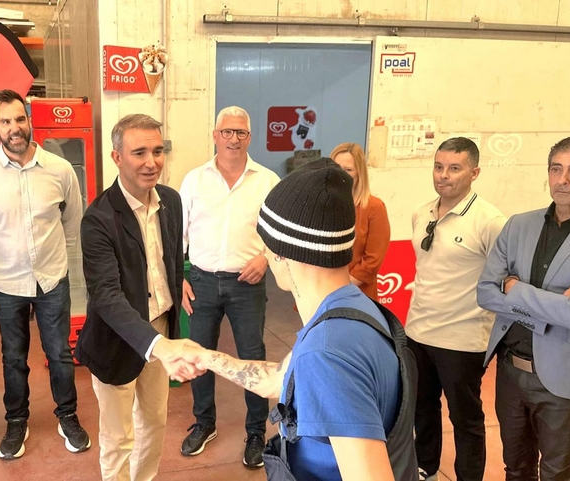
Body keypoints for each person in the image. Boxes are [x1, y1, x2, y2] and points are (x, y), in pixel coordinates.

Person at [176, 159, 409, 480]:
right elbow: (279, 379)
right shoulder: (351, 311)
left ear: (282, 253)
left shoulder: (327, 353)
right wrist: (206, 357)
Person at [0, 89, 89, 460]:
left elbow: (72, 220)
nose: (14, 128)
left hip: (52, 278)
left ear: (29, 120)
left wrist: (56, 256)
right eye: (5, 121)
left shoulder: (59, 169)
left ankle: (67, 415)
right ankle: (16, 420)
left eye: (20, 119)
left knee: (60, 353)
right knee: (14, 356)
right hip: (6, 282)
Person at [76, 114, 201, 481]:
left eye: (158, 151)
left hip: (161, 325)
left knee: (154, 422)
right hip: (117, 340)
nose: (151, 162)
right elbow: (106, 295)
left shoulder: (171, 201)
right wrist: (158, 346)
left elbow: (171, 261)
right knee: (118, 438)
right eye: (139, 152)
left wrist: (171, 318)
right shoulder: (98, 218)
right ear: (117, 157)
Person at [478, 134, 570, 481]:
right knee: (516, 469)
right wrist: (555, 303)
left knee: (558, 474)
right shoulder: (519, 225)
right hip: (510, 373)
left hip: (566, 380)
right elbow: (486, 292)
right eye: (556, 169)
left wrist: (515, 289)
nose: (563, 179)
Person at [178, 106, 279, 467]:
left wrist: (265, 258)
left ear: (249, 137)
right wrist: (178, 279)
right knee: (199, 355)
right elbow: (178, 235)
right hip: (201, 282)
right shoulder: (194, 180)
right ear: (215, 135)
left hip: (247, 285)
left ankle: (256, 432)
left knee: (252, 357)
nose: (233, 139)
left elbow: (278, 234)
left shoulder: (267, 181)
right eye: (227, 132)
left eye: (241, 132)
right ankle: (204, 423)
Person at [406, 137, 506, 481]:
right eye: (438, 167)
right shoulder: (421, 212)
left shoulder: (490, 221)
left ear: (474, 173)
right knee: (422, 408)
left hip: (463, 340)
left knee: (465, 419)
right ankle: (426, 467)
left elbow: (505, 278)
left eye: (454, 168)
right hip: (418, 331)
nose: (443, 175)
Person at [330, 142, 391, 299]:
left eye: (348, 170)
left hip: (356, 295)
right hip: (320, 292)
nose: (340, 174)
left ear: (360, 174)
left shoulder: (374, 208)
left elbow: (372, 261)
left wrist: (339, 291)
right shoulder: (321, 205)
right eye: (336, 168)